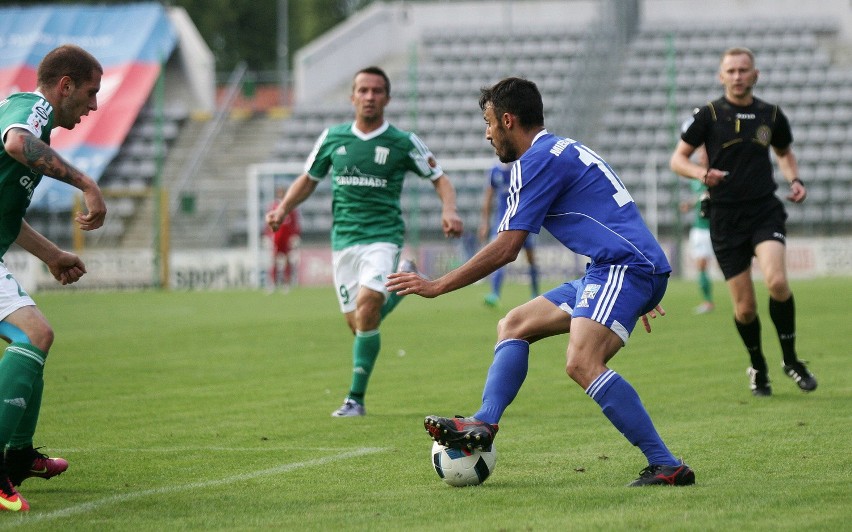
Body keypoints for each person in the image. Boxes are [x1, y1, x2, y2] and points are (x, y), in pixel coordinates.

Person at [388, 77, 694, 487]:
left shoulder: (535, 161)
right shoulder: (562, 148)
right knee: (513, 324)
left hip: (622, 267)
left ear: (508, 120)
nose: (487, 133)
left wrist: (437, 285)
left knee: (582, 362)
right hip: (618, 269)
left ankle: (666, 464)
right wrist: (641, 283)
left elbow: (506, 248)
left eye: (489, 123)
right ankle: (485, 423)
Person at [265, 66, 463, 418]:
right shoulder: (332, 138)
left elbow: (440, 177)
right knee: (359, 324)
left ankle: (354, 400)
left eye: (376, 91)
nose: (369, 96)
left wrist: (449, 210)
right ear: (352, 96)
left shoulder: (403, 142)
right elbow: (308, 180)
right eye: (363, 90)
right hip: (344, 242)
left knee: (368, 306)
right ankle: (403, 284)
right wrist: (282, 209)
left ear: (387, 97)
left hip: (383, 238)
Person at [670, 47, 816, 397]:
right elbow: (678, 160)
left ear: (755, 74)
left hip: (765, 211)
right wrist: (702, 173)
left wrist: (794, 179)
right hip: (724, 219)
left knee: (778, 282)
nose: (737, 76)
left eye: (743, 70)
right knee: (745, 309)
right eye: (731, 71)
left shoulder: (771, 114)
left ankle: (792, 360)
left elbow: (783, 153)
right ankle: (758, 365)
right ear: (721, 76)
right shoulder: (707, 115)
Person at [0, 44, 108, 511]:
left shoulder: (33, 119)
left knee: (38, 338)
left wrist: (51, 254)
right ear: (64, 86)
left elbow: (8, 218)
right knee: (34, 335)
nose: (94, 106)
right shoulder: (33, 109)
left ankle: (20, 455)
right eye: (89, 93)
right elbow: (17, 144)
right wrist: (87, 183)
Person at [479, 161, 539, 307]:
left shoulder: (522, 167)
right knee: (499, 257)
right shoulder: (494, 171)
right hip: (502, 222)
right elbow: (488, 198)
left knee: (530, 258)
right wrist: (485, 223)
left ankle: (535, 293)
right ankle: (495, 294)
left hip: (522, 221)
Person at [677, 139, 715, 314]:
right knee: (701, 265)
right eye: (700, 153)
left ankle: (742, 298)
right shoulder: (695, 176)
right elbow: (700, 196)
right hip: (700, 228)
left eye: (704, 152)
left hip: (716, 227)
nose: (701, 156)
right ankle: (708, 302)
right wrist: (690, 204)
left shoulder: (717, 174)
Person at [266, 186, 301, 292]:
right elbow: (268, 222)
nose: (280, 194)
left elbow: (294, 222)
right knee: (274, 260)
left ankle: (286, 283)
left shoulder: (289, 207)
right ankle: (272, 283)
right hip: (276, 237)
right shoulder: (273, 206)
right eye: (279, 192)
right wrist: (268, 236)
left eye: (282, 192)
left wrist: (295, 235)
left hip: (286, 237)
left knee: (286, 260)